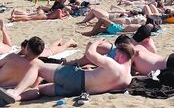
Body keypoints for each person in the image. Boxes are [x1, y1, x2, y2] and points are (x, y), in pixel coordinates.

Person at [0, 40, 135, 103]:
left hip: (75, 78)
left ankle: (15, 92)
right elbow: (103, 80)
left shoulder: (113, 65)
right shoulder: (127, 79)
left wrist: (94, 43)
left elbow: (90, 53)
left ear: (123, 55)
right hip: (78, 90)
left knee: (37, 66)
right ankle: (17, 98)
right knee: (39, 89)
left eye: (116, 53)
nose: (114, 56)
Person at [76, 17, 142, 36]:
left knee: (102, 19)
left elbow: (133, 33)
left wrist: (119, 33)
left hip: (118, 29)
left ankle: (90, 33)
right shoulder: (140, 26)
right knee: (99, 29)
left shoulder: (140, 27)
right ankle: (85, 33)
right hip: (117, 28)